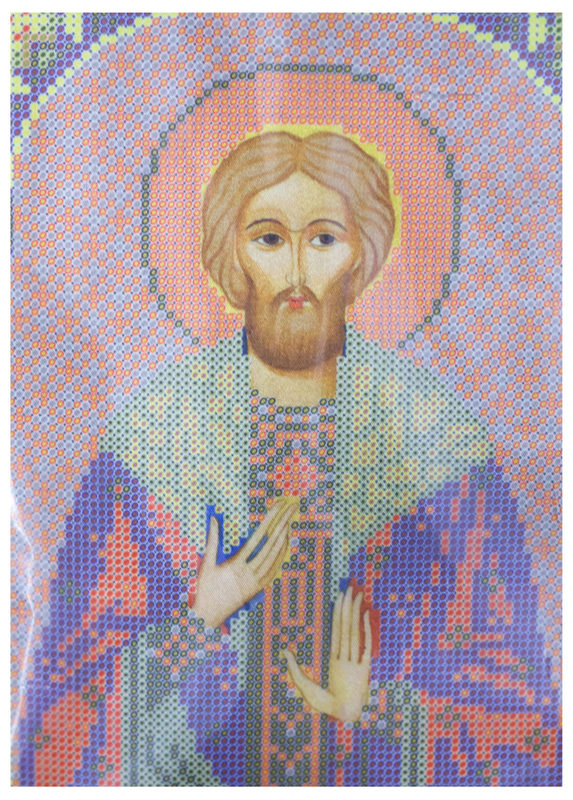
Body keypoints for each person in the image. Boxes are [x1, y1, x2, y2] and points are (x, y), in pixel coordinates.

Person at [18, 132, 560, 786]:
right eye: (269, 239)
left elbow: (516, 711)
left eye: (324, 238)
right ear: (231, 254)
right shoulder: (156, 435)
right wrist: (199, 619)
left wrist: (370, 711)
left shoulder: (438, 438)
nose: (298, 274)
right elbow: (65, 718)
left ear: (362, 256)